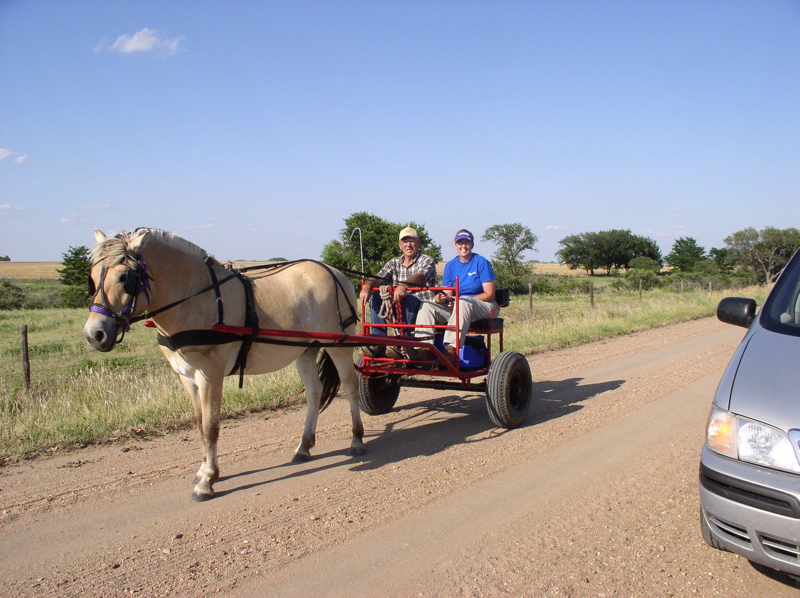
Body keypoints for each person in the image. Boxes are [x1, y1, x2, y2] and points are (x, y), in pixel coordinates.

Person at [412, 229, 497, 364]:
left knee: (463, 302)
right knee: (427, 305)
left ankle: (451, 349)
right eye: (460, 243)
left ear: (472, 245)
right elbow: (448, 294)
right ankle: (423, 349)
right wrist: (442, 298)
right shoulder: (451, 265)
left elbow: (489, 294)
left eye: (467, 242)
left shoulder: (481, 262)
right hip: (460, 306)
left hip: (485, 306)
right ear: (456, 246)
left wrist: (460, 301)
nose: (463, 246)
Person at [358, 227, 437, 357]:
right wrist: (367, 286)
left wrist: (404, 286)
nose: (408, 245)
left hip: (422, 305)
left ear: (418, 243)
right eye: (405, 241)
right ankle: (378, 342)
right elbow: (380, 276)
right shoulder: (394, 262)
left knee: (409, 299)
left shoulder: (426, 260)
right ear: (400, 245)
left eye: (412, 241)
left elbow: (421, 276)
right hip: (398, 304)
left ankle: (403, 343)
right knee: (377, 298)